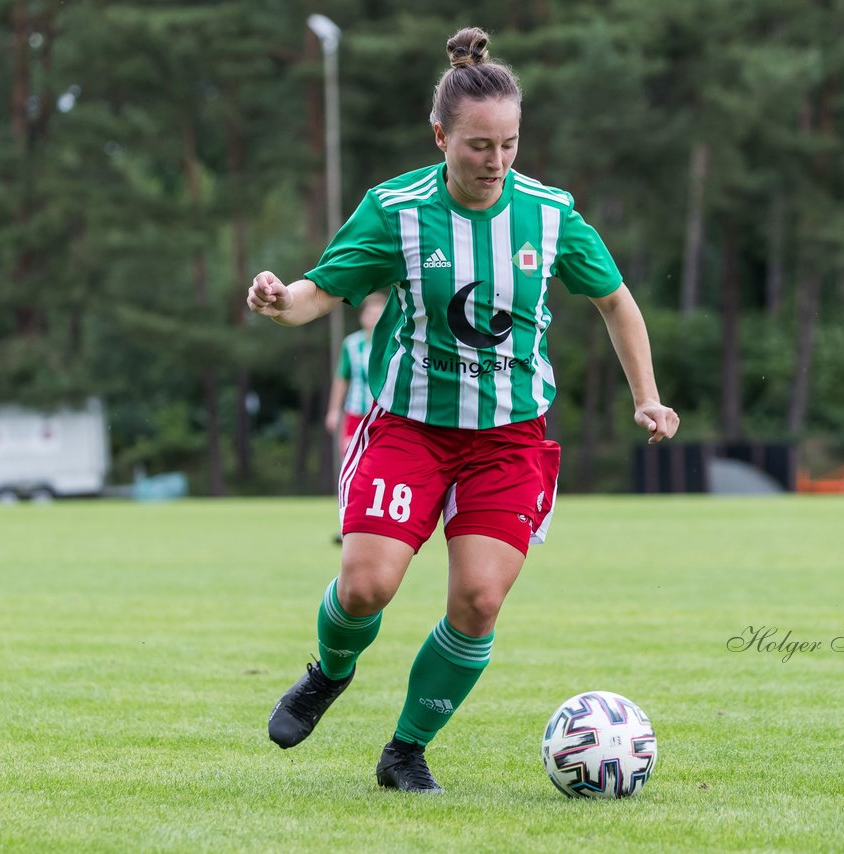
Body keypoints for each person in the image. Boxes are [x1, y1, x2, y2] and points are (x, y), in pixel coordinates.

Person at [246, 26, 678, 794]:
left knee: (478, 600)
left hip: (510, 439)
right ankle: (329, 672)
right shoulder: (397, 210)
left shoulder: (549, 216)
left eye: (510, 144)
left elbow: (616, 301)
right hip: (410, 428)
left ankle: (405, 751)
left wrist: (647, 398)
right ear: (441, 134)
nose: (496, 162)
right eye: (480, 145)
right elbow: (320, 292)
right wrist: (281, 304)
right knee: (364, 588)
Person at [326, 294, 386, 544]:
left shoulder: (393, 340)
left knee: (381, 468)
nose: (373, 317)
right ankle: (347, 524)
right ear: (362, 316)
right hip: (355, 414)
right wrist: (333, 410)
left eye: (378, 313)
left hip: (383, 414)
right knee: (352, 468)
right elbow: (342, 378)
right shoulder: (351, 345)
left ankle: (378, 525)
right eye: (369, 312)